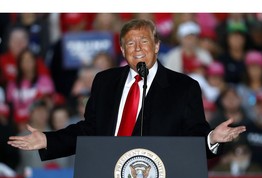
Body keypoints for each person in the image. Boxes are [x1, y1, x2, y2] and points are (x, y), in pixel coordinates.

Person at [7, 19, 246, 163]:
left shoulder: (184, 87)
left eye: (144, 41)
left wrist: (211, 139)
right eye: (131, 43)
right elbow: (89, 130)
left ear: (157, 46)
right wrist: (48, 139)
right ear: (122, 50)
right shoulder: (104, 81)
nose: (138, 48)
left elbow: (194, 134)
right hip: (108, 175)